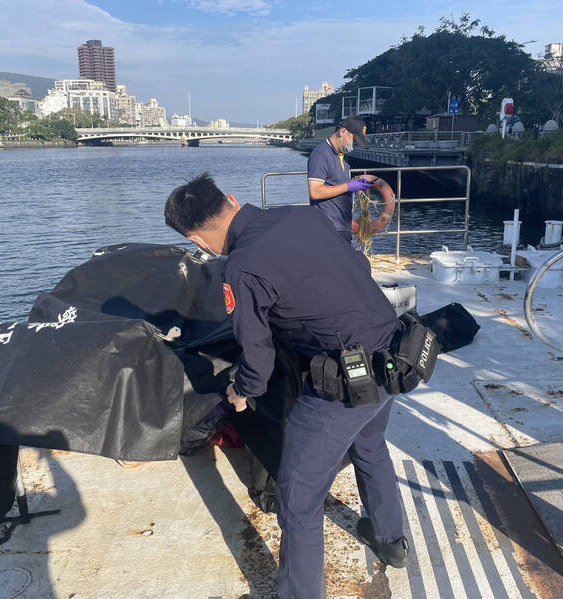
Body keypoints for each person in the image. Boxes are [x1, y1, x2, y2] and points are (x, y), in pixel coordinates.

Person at [164, 173, 410, 599]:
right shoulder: (302, 217)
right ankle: (391, 541)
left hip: (344, 383)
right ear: (233, 199)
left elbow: (257, 361)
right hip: (395, 356)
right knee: (370, 445)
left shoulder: (241, 269)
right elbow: (358, 267)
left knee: (298, 499)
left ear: (197, 241)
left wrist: (239, 392)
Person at [307, 116, 396, 242]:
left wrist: (353, 186)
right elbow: (315, 192)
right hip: (327, 228)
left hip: (343, 226)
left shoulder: (343, 157)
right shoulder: (320, 155)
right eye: (354, 141)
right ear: (343, 132)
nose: (354, 146)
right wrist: (348, 186)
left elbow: (336, 185)